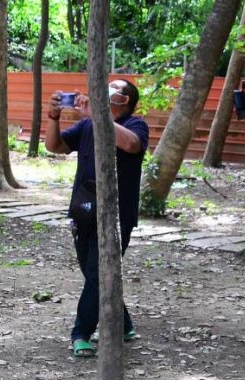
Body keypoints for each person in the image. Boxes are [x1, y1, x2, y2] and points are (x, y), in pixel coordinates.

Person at [44, 79, 149, 358]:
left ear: (124, 99)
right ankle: (124, 323)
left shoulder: (136, 125)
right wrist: (53, 116)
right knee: (95, 273)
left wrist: (96, 114)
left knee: (99, 272)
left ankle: (81, 333)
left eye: (114, 87)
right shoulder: (87, 126)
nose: (105, 87)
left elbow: (130, 144)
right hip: (83, 210)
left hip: (117, 215)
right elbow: (54, 146)